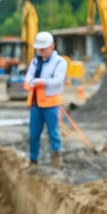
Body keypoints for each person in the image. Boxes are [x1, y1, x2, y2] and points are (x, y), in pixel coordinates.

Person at [23, 31, 67, 167]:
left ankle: (56, 160)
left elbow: (58, 81)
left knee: (53, 133)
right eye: (39, 49)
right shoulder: (35, 61)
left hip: (51, 105)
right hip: (36, 104)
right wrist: (31, 82)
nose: (40, 52)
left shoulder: (59, 62)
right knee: (33, 134)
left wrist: (40, 82)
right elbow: (28, 78)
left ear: (52, 47)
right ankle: (33, 160)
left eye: (43, 49)